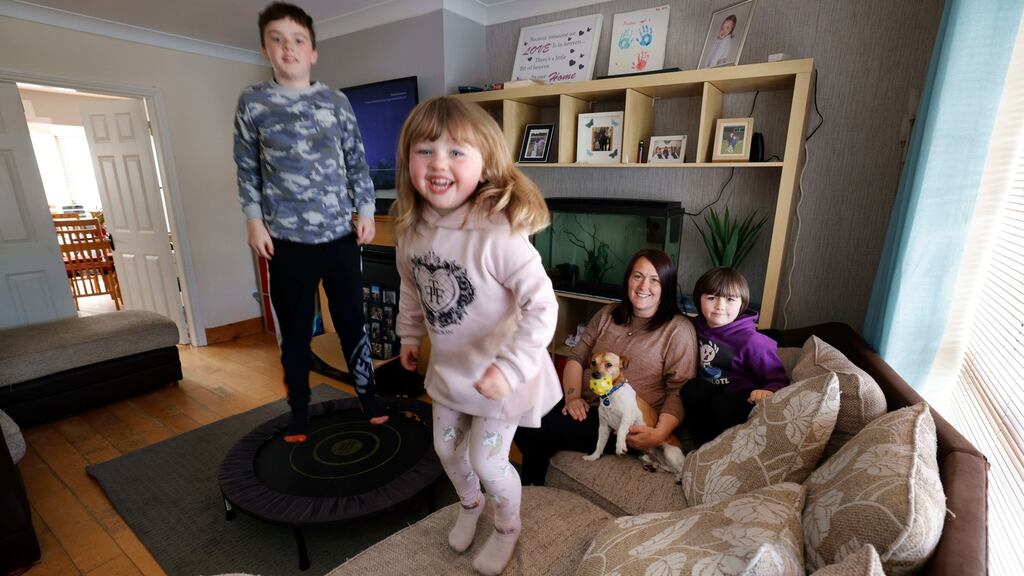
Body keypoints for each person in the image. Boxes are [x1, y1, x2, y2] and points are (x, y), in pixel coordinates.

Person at [392, 96, 561, 575]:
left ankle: (507, 526)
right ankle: (470, 505)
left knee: (489, 464)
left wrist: (509, 369)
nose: (438, 163)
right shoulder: (411, 229)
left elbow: (543, 305)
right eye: (425, 150)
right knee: (446, 449)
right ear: (409, 159)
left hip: (502, 378)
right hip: (450, 371)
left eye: (456, 152)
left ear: (485, 163)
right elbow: (412, 286)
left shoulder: (499, 233)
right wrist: (409, 336)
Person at [233, 2, 387, 443]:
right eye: (277, 40)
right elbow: (247, 168)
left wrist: (366, 212)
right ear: (266, 49)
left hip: (340, 237)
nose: (288, 48)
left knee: (352, 322)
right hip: (284, 242)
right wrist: (253, 222)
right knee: (297, 331)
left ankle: (368, 396)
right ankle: (298, 409)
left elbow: (357, 163)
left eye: (298, 40)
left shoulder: (335, 102)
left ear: (313, 51)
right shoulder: (253, 102)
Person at [514, 249, 698, 486]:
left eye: (654, 280)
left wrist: (660, 433)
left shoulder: (678, 330)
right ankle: (532, 488)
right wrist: (572, 398)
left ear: (666, 286)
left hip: (622, 419)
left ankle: (530, 491)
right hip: (585, 403)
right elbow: (577, 357)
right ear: (628, 279)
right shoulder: (609, 313)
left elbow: (679, 389)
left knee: (540, 431)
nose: (644, 286)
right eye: (637, 276)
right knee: (517, 414)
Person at [681, 267, 789, 447]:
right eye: (711, 298)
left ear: (742, 303)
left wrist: (768, 391)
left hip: (741, 399)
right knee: (693, 388)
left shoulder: (752, 341)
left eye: (730, 299)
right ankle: (700, 446)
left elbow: (778, 379)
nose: (720, 306)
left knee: (723, 404)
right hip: (708, 394)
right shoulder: (693, 327)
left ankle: (724, 449)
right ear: (698, 300)